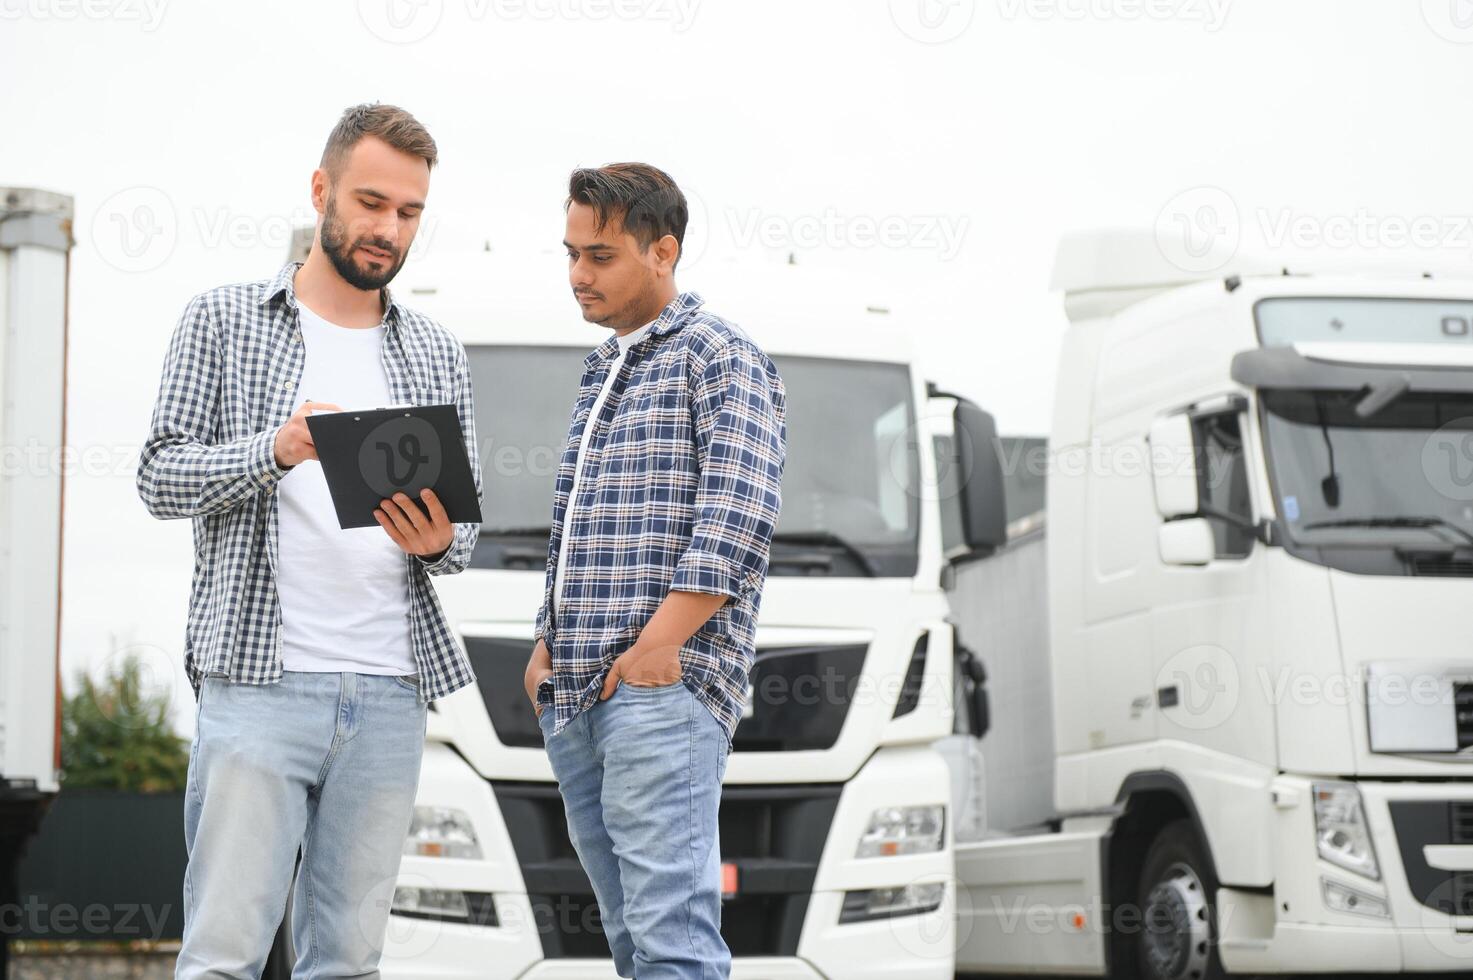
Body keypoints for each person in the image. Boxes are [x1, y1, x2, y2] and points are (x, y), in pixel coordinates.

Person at [136, 102, 481, 979]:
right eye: (371, 203)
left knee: (350, 962)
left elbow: (462, 539)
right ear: (322, 190)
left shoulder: (437, 351)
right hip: (257, 685)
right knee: (222, 956)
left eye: (408, 213)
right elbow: (157, 476)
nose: (388, 229)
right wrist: (274, 450)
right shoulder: (220, 320)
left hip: (391, 691)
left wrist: (438, 539)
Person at [522, 162, 786, 979]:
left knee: (671, 936)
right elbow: (576, 518)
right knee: (631, 939)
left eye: (598, 256)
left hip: (658, 692)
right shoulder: (603, 366)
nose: (576, 274)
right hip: (574, 690)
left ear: (662, 252)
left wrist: (657, 649)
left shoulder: (719, 354)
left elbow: (737, 514)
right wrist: (545, 644)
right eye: (569, 253)